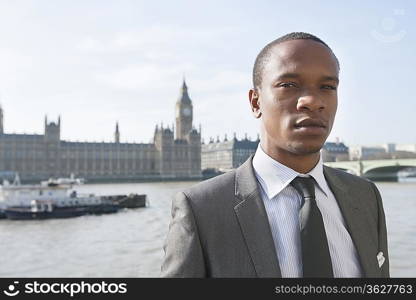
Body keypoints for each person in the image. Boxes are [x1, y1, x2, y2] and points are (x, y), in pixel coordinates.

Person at [161, 32, 389, 278]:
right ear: (255, 102)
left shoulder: (366, 196)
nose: (312, 100)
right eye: (289, 85)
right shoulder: (201, 209)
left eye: (327, 86)